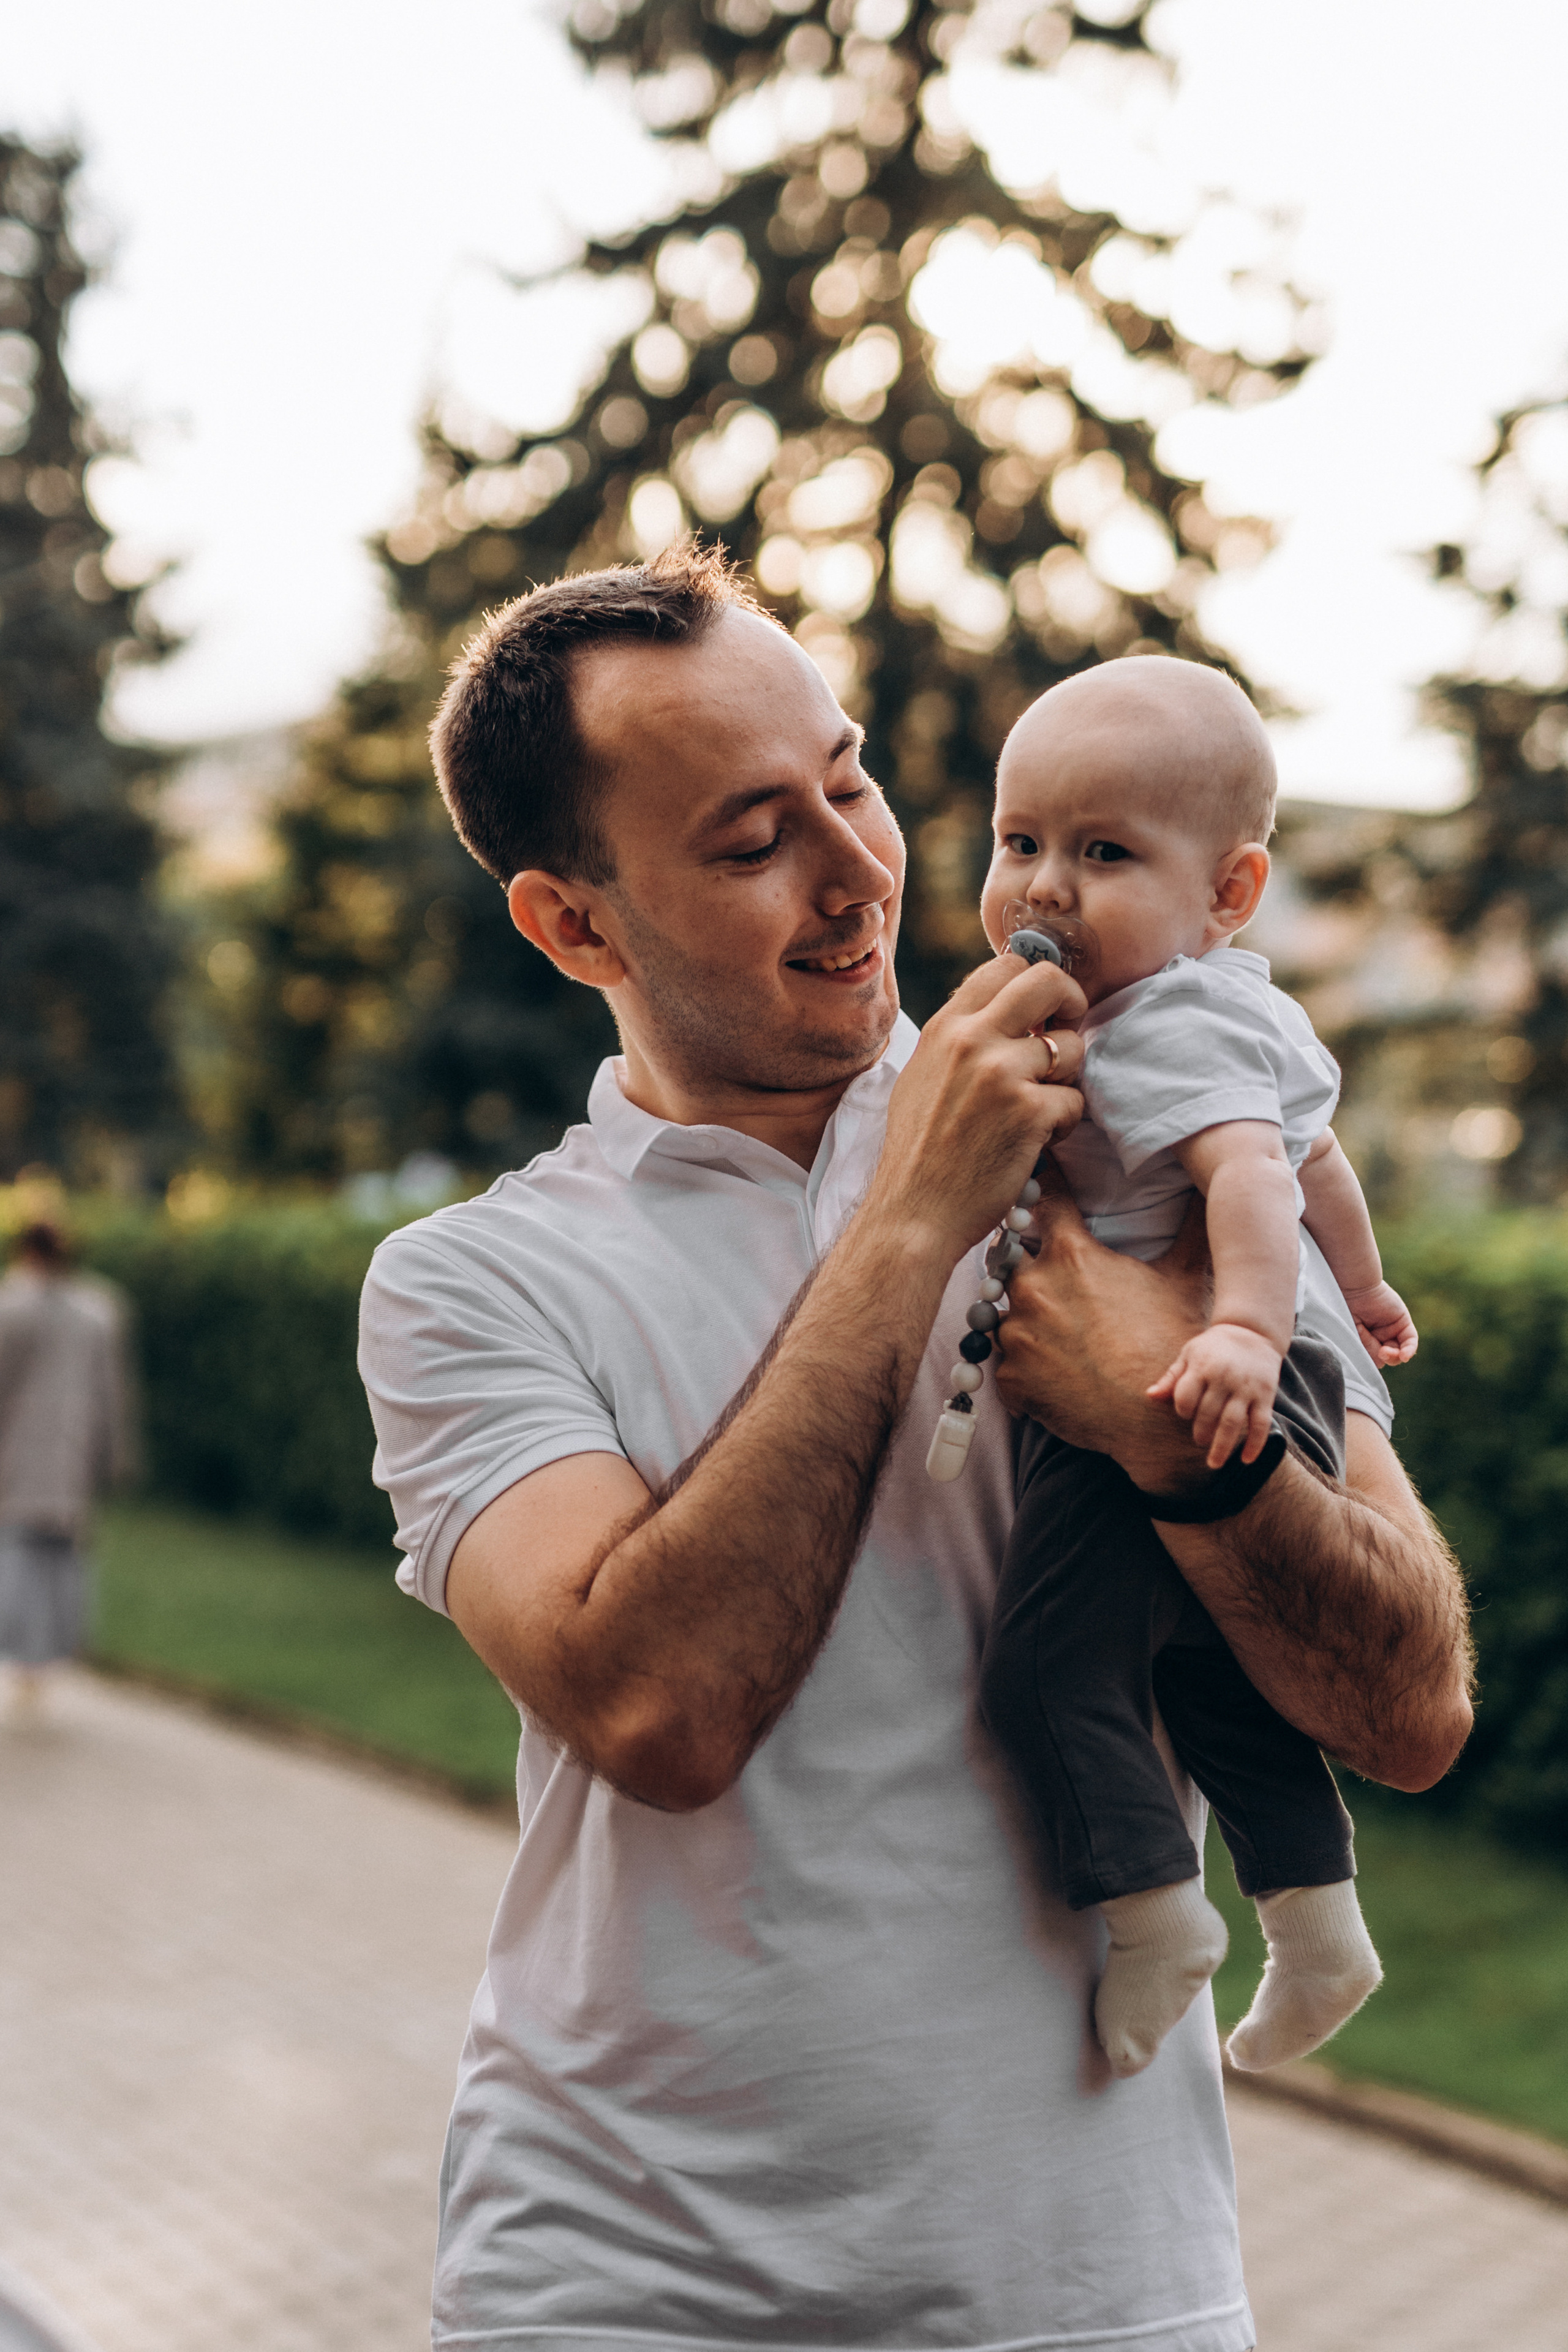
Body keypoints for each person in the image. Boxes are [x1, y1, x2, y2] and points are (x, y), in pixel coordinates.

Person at [358, 545, 1472, 2352]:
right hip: (619, 2283)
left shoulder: (1146, 1144)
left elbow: (1409, 1699)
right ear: (575, 925)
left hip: (1098, 2285)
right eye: (748, 841)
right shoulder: (475, 1281)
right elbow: (658, 1707)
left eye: (852, 778)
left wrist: (1178, 1442)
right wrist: (912, 1214)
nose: (858, 866)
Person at [969, 660, 1412, 2088]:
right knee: (1214, 1666)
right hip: (1245, 1353)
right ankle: (1315, 1919)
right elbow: (1312, 1157)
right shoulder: (1233, 1005)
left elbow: (1244, 1177)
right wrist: (1355, 1290)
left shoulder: (1163, 1022)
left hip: (1187, 1372)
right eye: (1018, 839)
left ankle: (1155, 1912)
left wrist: (1233, 1327)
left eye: (1103, 853)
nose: (1043, 885)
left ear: (1227, 891)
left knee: (1049, 1663)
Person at [0, 1219, 134, 1716]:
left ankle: (28, 1662)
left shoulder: (11, 1307)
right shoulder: (99, 1308)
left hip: (16, 1455)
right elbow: (114, 1391)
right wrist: (115, 1454)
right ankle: (49, 1654)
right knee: (61, 1560)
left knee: (19, 1557)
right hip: (71, 1455)